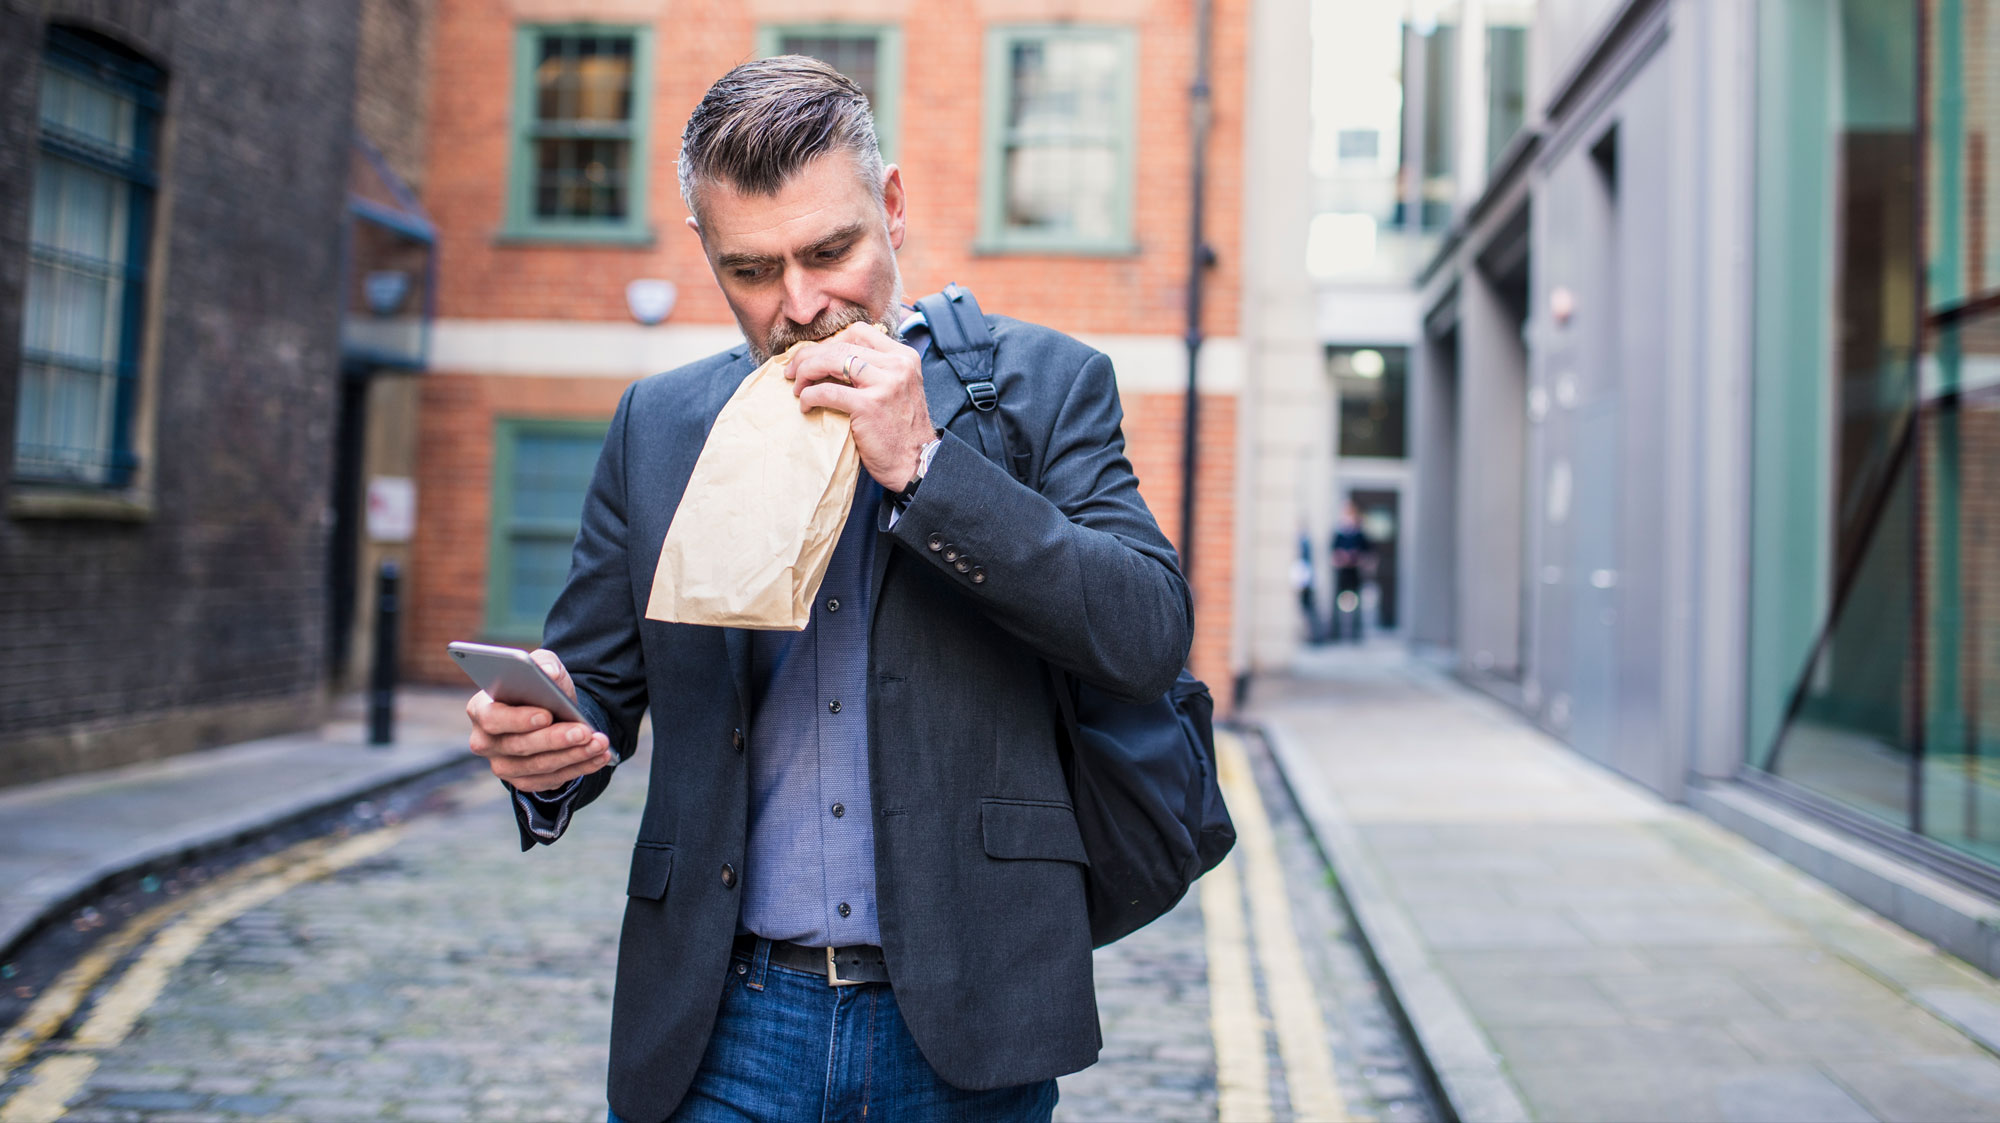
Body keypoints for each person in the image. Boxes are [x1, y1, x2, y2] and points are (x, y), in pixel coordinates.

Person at [461, 57, 1192, 1123]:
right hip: (720, 1023)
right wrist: (544, 748)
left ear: (890, 206)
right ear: (708, 252)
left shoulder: (1044, 387)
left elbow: (1144, 635)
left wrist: (932, 470)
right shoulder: (657, 426)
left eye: (831, 251)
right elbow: (597, 697)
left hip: (962, 1019)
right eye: (752, 269)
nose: (799, 304)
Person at [1329, 501, 1373, 643]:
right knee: (1337, 603)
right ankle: (1335, 633)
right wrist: (1342, 558)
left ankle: (1356, 633)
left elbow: (1368, 555)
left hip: (1355, 574)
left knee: (1357, 604)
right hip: (1342, 574)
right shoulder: (1339, 535)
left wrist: (1356, 558)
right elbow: (1333, 555)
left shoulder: (1360, 536)